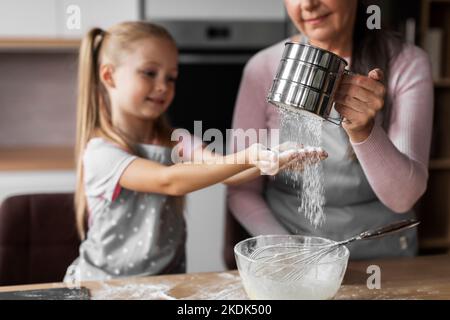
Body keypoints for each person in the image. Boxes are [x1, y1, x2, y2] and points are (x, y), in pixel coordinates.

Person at [64, 21, 325, 282]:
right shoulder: (100, 153)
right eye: (149, 73)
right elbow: (168, 181)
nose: (162, 86)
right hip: (101, 286)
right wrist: (250, 155)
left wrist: (274, 157)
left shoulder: (177, 140)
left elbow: (226, 172)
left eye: (171, 77)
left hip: (165, 282)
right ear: (109, 76)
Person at [228, 0, 433, 259]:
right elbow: (241, 188)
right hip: (289, 257)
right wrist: (288, 250)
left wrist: (364, 132)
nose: (309, 5)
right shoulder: (263, 68)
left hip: (382, 257)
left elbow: (403, 198)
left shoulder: (406, 63)